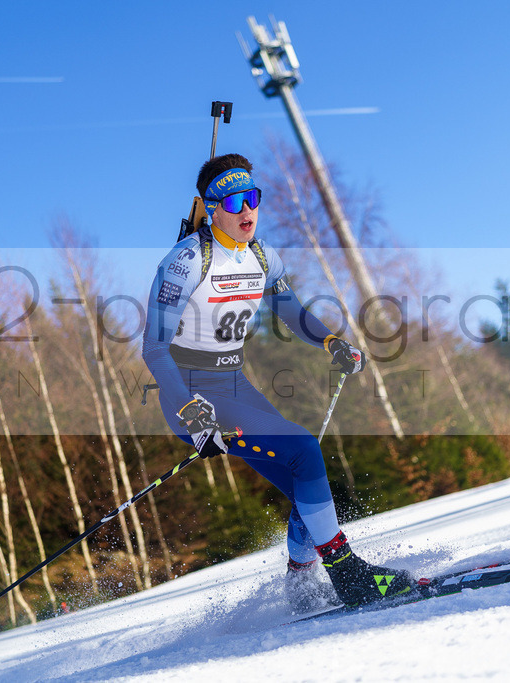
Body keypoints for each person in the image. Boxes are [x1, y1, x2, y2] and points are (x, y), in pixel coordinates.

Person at [142, 153, 414, 611]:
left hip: (232, 380)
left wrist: (330, 342)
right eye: (233, 202)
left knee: (303, 484)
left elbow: (288, 308)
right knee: (306, 449)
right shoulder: (185, 262)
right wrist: (190, 411)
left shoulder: (263, 256)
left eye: (252, 198)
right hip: (192, 392)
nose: (247, 211)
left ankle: (301, 584)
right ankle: (349, 575)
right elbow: (154, 348)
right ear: (210, 209)